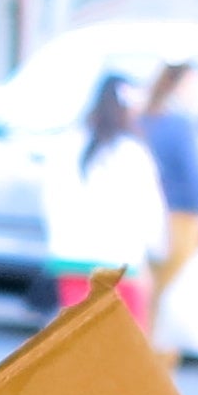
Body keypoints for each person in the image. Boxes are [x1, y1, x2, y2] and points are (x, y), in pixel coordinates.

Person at [41, 72, 167, 328]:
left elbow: (50, 201)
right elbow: (148, 211)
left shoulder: (67, 145)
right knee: (119, 348)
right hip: (119, 263)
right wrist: (157, 250)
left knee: (78, 339)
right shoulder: (132, 153)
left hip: (71, 258)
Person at [137, 62, 198, 360]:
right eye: (194, 84)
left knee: (152, 296)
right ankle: (157, 369)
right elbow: (194, 177)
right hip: (181, 220)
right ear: (179, 85)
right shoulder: (180, 123)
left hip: (150, 219)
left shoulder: (145, 118)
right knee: (170, 301)